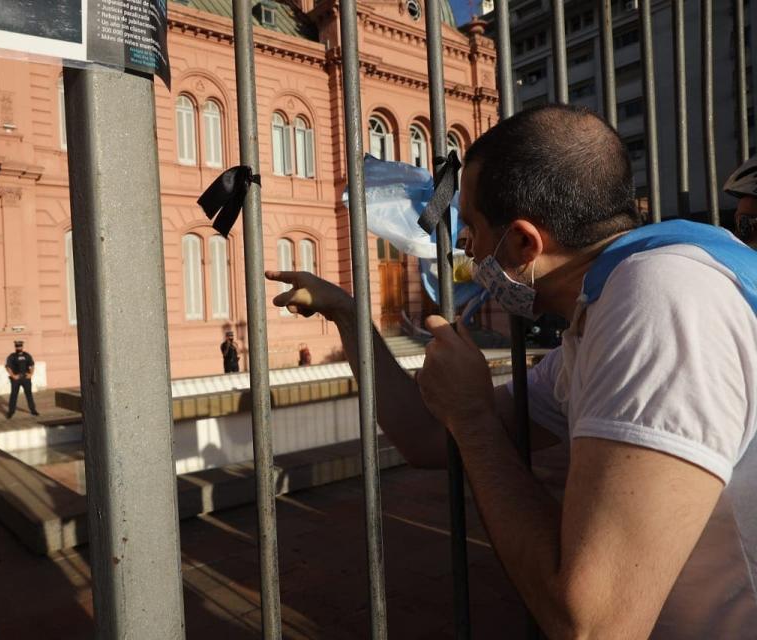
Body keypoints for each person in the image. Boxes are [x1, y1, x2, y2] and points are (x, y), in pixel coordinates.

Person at [266, 104, 757, 638]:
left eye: (472, 228)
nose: (465, 249)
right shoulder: (603, 309)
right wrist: (349, 314)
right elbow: (430, 440)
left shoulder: (660, 300)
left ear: (524, 242)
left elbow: (590, 625)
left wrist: (474, 420)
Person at [5, 340, 38, 418]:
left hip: (26, 379)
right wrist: (13, 376)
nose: (19, 347)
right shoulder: (12, 356)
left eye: (20, 346)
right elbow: (7, 367)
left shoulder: (27, 355)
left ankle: (33, 410)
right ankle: (11, 412)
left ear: (22, 346)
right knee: (14, 395)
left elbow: (32, 365)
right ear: (15, 347)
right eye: (17, 346)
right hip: (16, 379)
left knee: (29, 394)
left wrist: (31, 374)